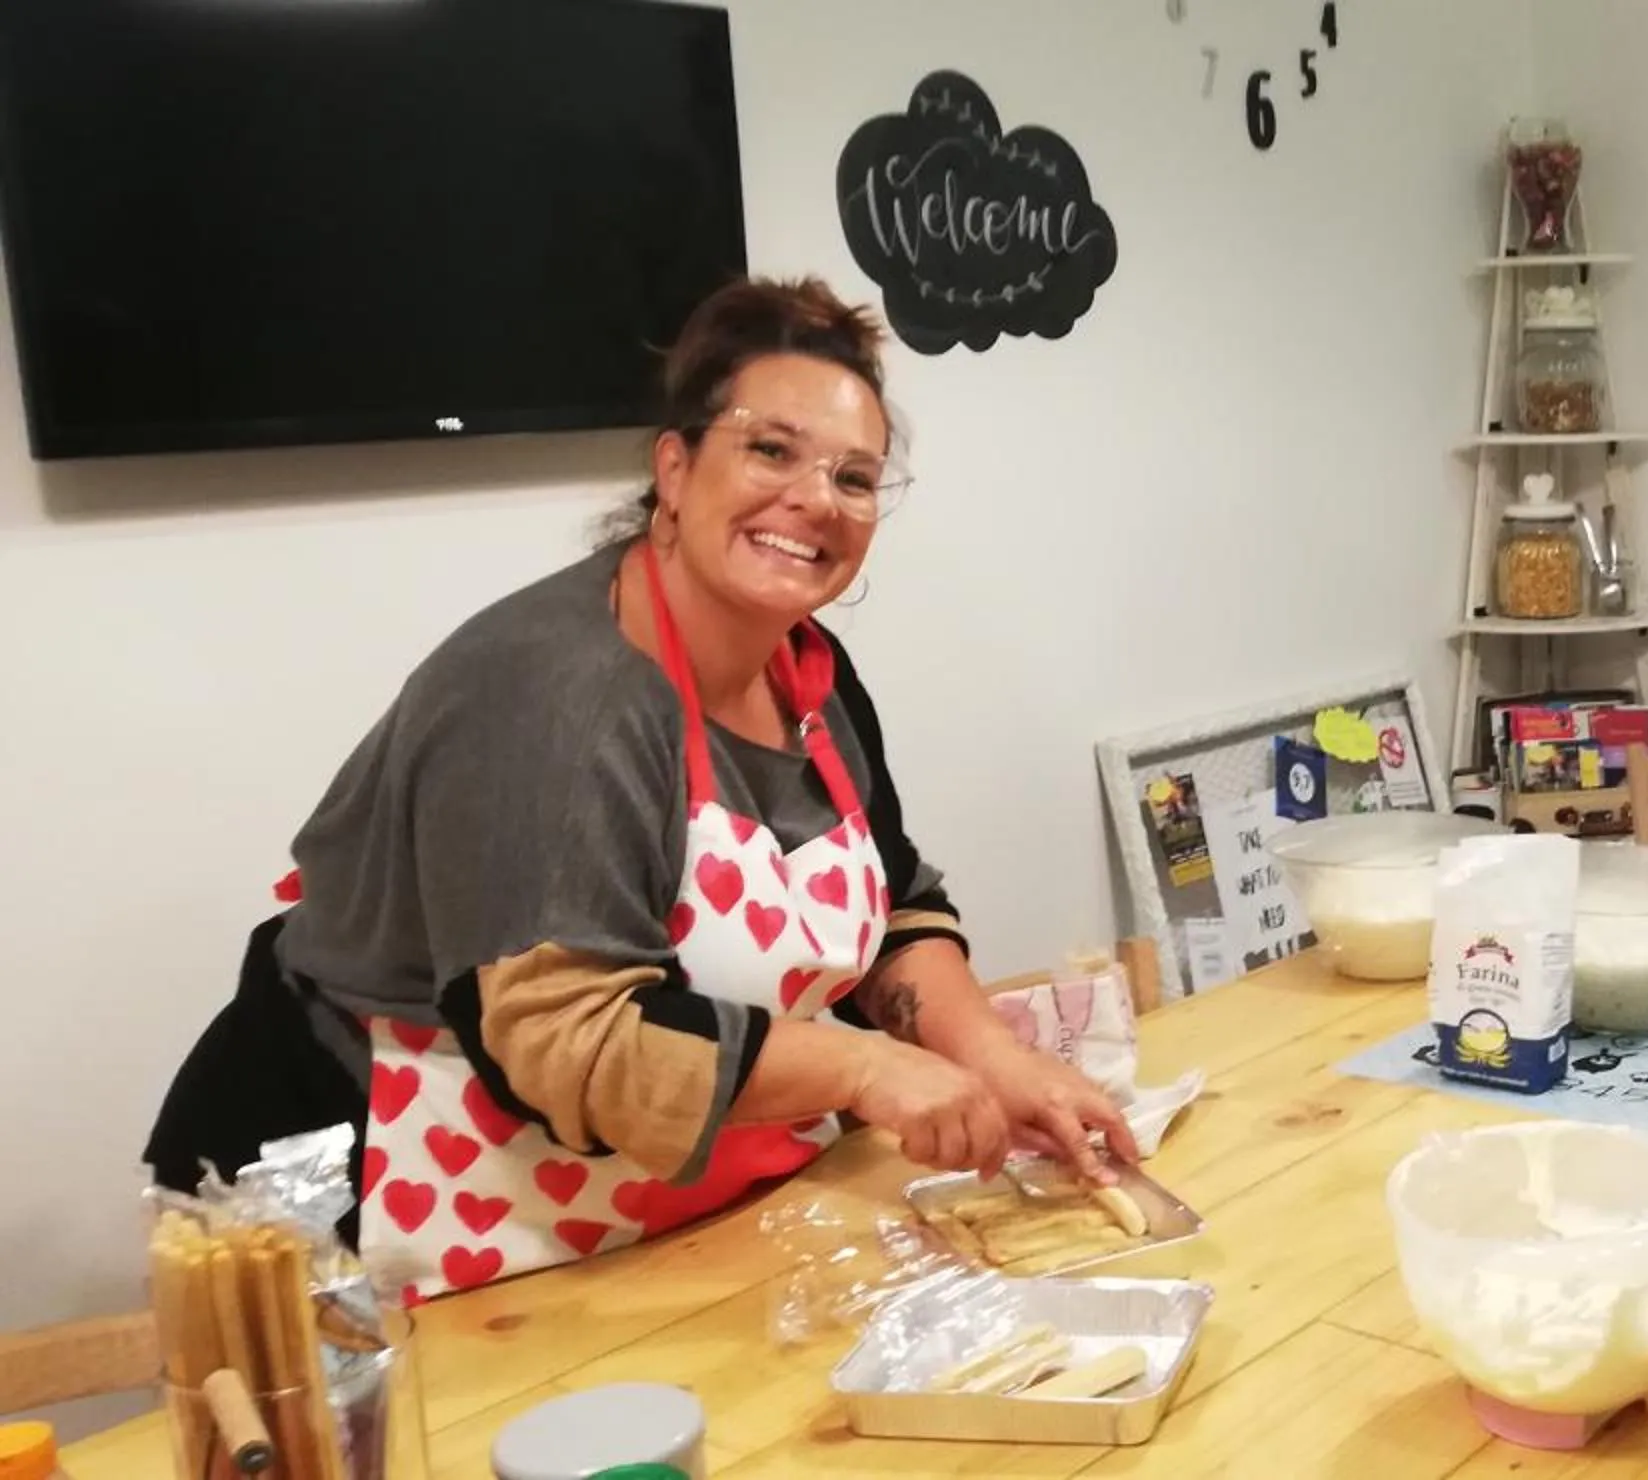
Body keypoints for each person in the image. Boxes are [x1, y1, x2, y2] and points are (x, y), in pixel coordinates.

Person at [144, 277, 1137, 1301]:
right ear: (675, 465)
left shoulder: (810, 674)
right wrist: (864, 1068)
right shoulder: (557, 694)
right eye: (771, 450)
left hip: (656, 1218)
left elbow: (892, 905)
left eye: (854, 477)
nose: (815, 499)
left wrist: (989, 1054)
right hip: (371, 1214)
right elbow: (569, 1038)